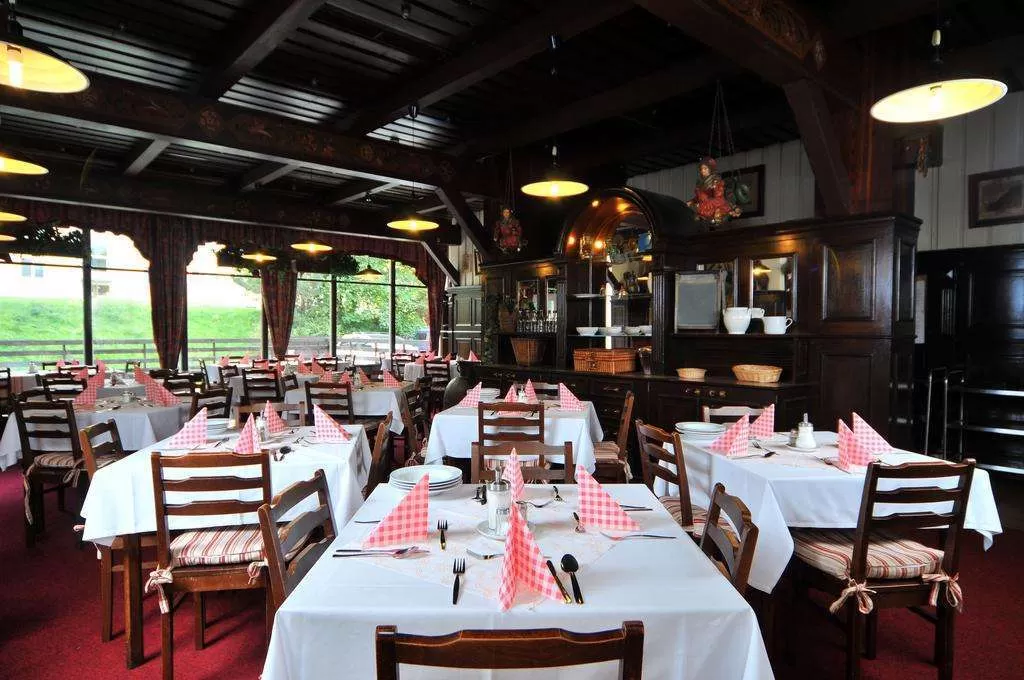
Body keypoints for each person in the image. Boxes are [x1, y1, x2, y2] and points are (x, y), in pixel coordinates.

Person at [687, 157, 742, 225]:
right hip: (703, 206)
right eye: (701, 169)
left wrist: (715, 188)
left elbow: (718, 198)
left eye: (705, 168)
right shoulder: (699, 182)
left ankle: (712, 217)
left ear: (710, 169)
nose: (702, 171)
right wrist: (692, 201)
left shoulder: (716, 181)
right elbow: (699, 196)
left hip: (712, 205)